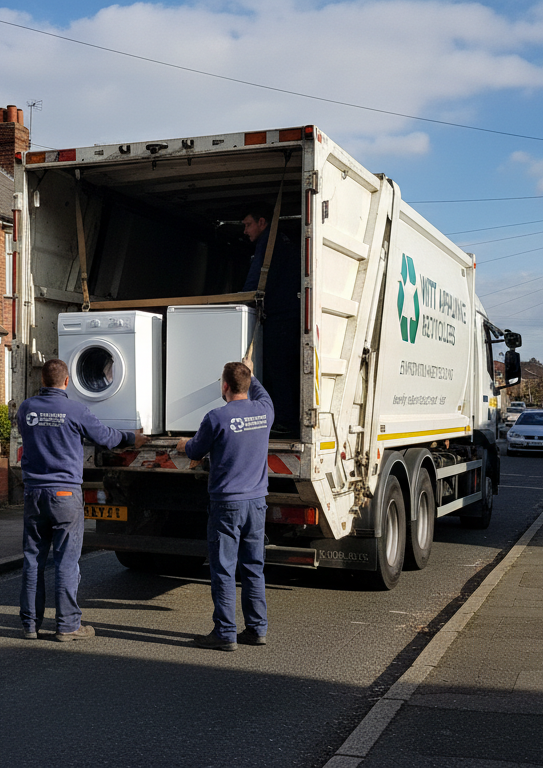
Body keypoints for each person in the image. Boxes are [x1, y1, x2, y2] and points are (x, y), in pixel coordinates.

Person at [16, 358, 147, 640]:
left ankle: (30, 625)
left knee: (33, 560)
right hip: (64, 494)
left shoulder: (26, 408)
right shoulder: (76, 410)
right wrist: (131, 437)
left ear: (42, 380)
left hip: (34, 493)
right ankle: (67, 626)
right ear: (66, 381)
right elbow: (106, 437)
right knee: (66, 560)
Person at [176, 360, 272, 651]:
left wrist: (183, 444)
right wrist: (251, 372)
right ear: (248, 384)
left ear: (225, 386)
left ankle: (225, 633)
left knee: (224, 569)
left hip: (227, 504)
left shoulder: (216, 417)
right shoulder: (264, 411)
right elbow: (261, 392)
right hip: (256, 503)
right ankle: (256, 629)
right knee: (253, 567)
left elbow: (195, 449)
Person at [240, 203, 300, 435]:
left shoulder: (269, 242)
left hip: (280, 316)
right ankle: (285, 418)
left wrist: (242, 301)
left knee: (277, 368)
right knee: (285, 368)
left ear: (262, 222)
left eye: (248, 225)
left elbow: (257, 276)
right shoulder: (283, 241)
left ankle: (284, 420)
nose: (245, 231)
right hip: (289, 314)